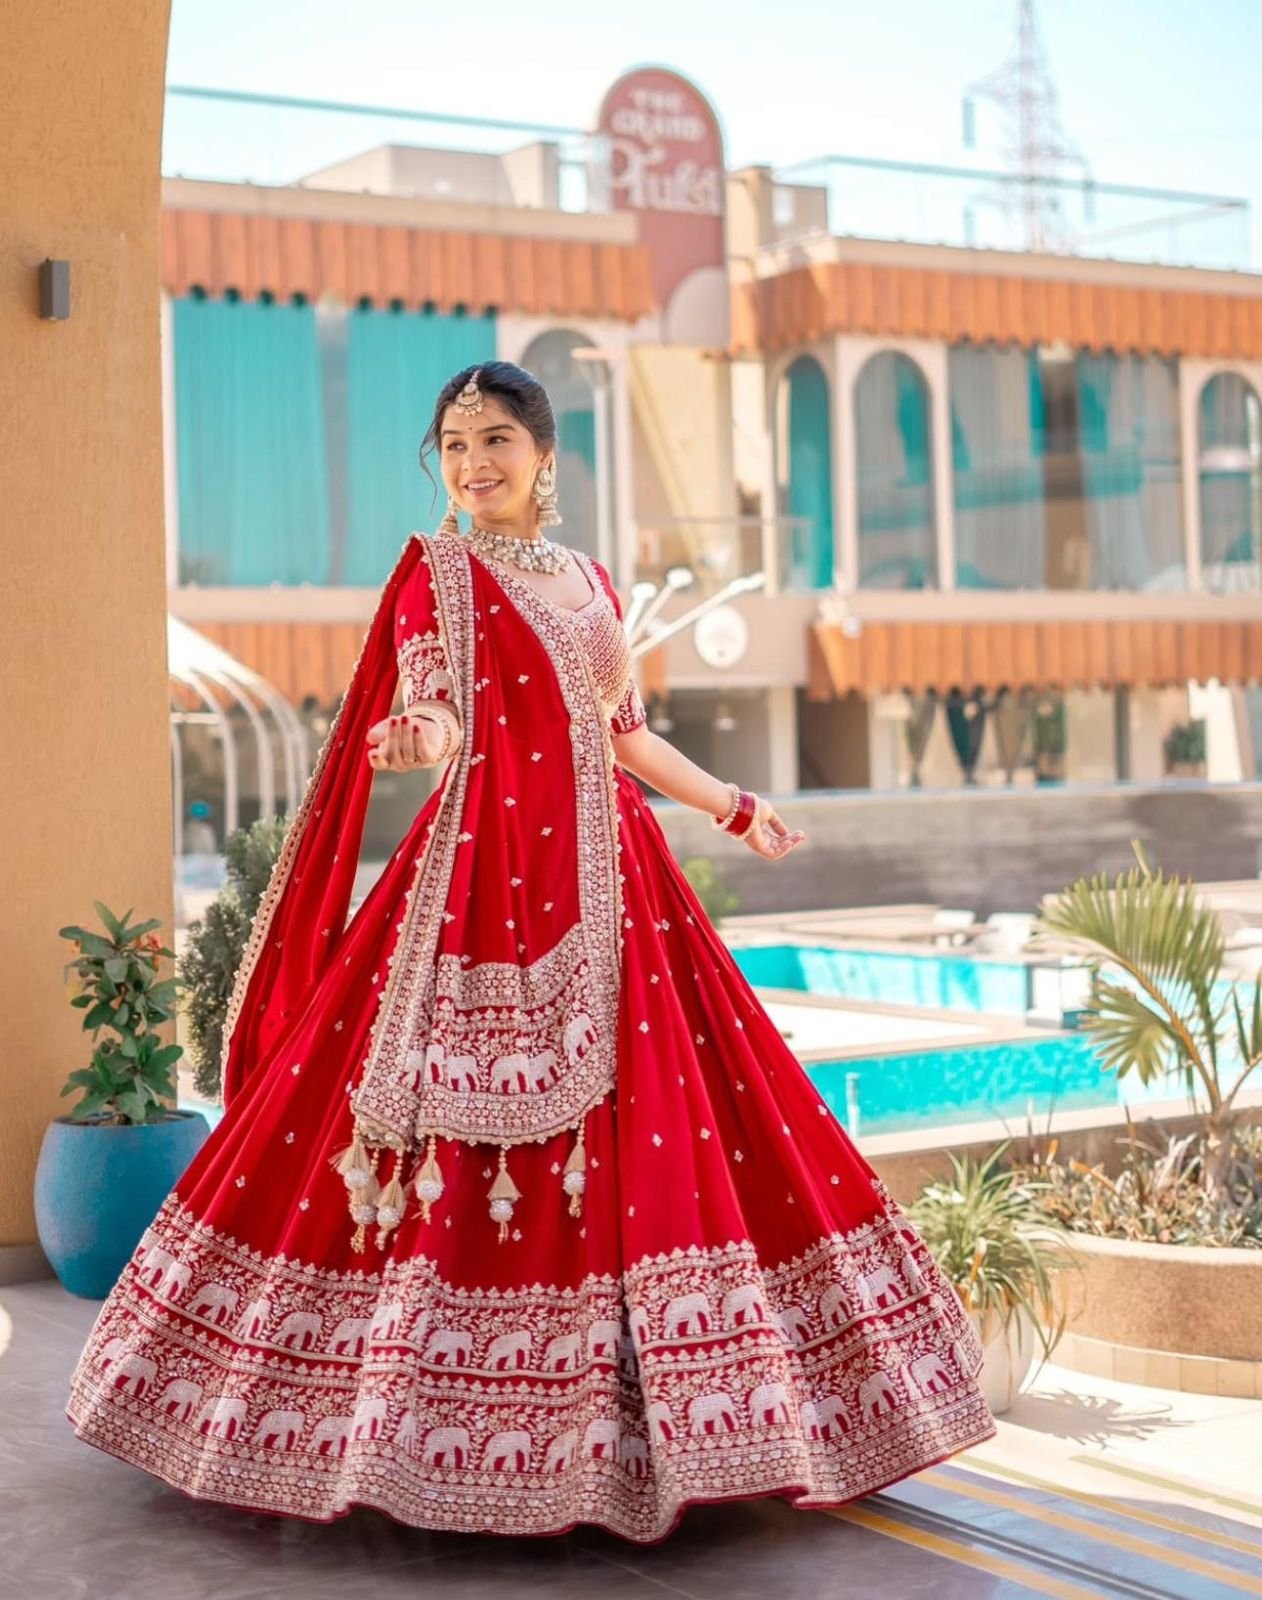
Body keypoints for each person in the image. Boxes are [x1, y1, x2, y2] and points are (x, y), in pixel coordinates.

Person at [67, 362, 994, 1542]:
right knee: (410, 1138)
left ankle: (698, 1421)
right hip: (476, 889)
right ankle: (379, 1427)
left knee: (676, 1134)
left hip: (619, 896)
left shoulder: (588, 580)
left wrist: (732, 803)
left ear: (544, 454)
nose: (472, 464)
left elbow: (625, 737)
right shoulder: (434, 577)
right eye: (451, 444)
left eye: (495, 438)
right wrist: (419, 732)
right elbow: (439, 705)